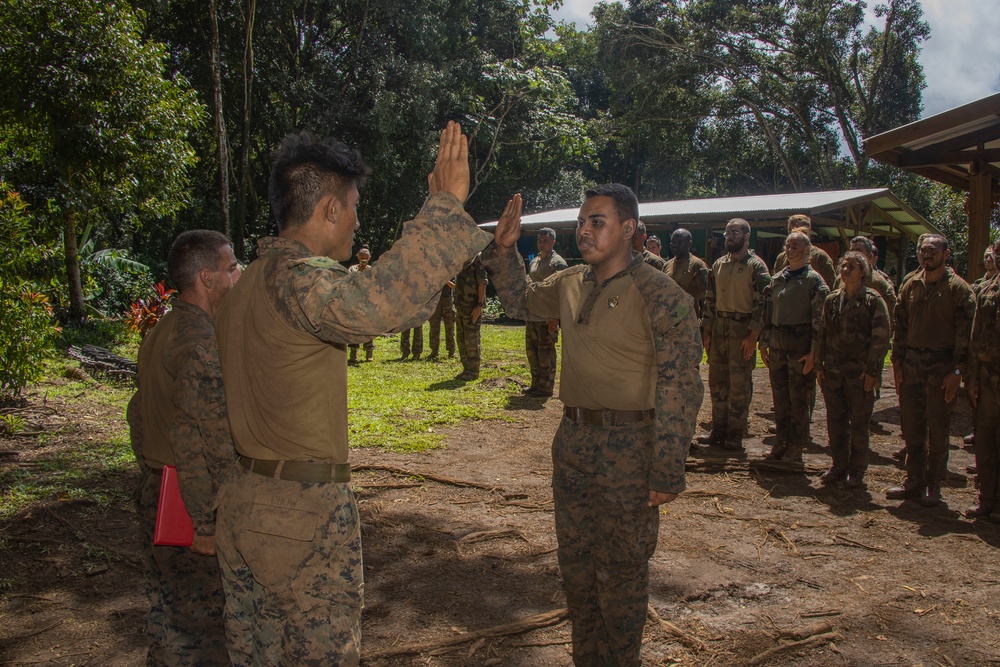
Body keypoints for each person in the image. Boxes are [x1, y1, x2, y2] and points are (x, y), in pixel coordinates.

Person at [213, 123, 491, 665]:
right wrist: (445, 206)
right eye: (356, 207)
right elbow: (373, 306)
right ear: (331, 211)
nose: (358, 221)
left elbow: (394, 308)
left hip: (247, 501)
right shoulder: (295, 279)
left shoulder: (248, 283)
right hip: (298, 517)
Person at [485, 185, 702, 667]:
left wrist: (667, 468)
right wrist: (502, 250)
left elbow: (680, 384)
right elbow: (520, 301)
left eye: (597, 221)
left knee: (621, 575)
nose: (584, 230)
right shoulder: (568, 282)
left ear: (628, 229)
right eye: (582, 221)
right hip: (574, 443)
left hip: (631, 447)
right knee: (577, 571)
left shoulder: (661, 293)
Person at [127, 230, 241, 666]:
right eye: (231, 269)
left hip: (160, 489)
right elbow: (203, 442)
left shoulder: (161, 331)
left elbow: (136, 415)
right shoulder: (200, 343)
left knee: (169, 615)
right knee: (205, 630)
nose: (237, 277)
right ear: (207, 279)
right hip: (188, 500)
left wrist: (150, 475)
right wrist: (206, 522)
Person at [886, 234, 975, 508]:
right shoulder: (910, 284)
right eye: (924, 251)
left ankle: (933, 484)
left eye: (933, 251)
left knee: (937, 427)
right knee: (911, 425)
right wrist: (897, 361)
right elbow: (900, 325)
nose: (927, 255)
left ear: (946, 254)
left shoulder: (959, 289)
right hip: (912, 364)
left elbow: (967, 334)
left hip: (942, 366)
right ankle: (913, 480)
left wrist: (958, 371)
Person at [815, 251, 890, 487]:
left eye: (852, 266)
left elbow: (881, 338)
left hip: (859, 374)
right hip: (834, 372)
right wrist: (819, 365)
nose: (846, 270)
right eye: (843, 266)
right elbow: (823, 333)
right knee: (835, 420)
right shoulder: (832, 300)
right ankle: (838, 465)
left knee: (859, 423)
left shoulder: (872, 300)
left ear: (863, 272)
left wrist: (872, 371)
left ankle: (856, 470)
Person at [698, 218, 772, 451]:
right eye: (728, 233)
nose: (729, 237)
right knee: (717, 382)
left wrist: (753, 335)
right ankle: (718, 431)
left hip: (742, 329)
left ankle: (736, 433)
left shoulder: (756, 266)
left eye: (735, 233)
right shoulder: (718, 265)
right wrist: (707, 331)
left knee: (739, 385)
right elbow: (709, 300)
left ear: (746, 237)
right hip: (719, 328)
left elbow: (763, 303)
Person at [758, 232, 829, 462]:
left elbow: (821, 319)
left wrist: (814, 351)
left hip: (801, 342)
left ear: (808, 250)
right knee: (780, 395)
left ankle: (797, 445)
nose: (791, 249)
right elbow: (767, 312)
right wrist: (764, 341)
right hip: (778, 341)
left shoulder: (814, 280)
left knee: (799, 395)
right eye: (788, 245)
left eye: (796, 246)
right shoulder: (778, 278)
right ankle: (781, 441)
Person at [966, 239, 1000, 518]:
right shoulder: (987, 288)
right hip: (988, 375)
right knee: (986, 439)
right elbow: (976, 334)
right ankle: (986, 498)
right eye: (996, 252)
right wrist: (972, 375)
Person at [524, 227, 569, 397]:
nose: (541, 243)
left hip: (547, 314)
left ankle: (546, 387)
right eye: (539, 240)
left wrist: (555, 317)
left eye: (545, 240)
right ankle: (535, 384)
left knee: (546, 351)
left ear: (553, 242)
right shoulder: (534, 261)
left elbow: (563, 290)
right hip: (533, 313)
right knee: (532, 350)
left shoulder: (557, 262)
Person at [772, 214, 837, 287]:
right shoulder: (781, 258)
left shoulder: (819, 256)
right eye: (790, 230)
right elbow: (775, 283)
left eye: (798, 228)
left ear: (808, 230)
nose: (794, 232)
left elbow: (831, 284)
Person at [664, 228, 710, 324]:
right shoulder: (667, 265)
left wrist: (705, 323)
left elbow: (706, 297)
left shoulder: (697, 265)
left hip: (689, 321)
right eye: (672, 242)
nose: (675, 245)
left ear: (689, 244)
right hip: (668, 321)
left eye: (679, 242)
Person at [454, 253, 488, 381]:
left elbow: (482, 283)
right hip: (460, 305)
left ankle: (473, 371)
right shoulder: (461, 259)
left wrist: (479, 306)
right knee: (461, 338)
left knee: (471, 339)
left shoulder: (477, 259)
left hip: (471, 306)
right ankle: (466, 368)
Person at [347, 245, 375, 363]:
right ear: (358, 257)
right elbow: (348, 281)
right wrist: (359, 272)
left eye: (366, 258)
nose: (364, 260)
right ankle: (353, 352)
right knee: (354, 327)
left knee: (369, 327)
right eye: (362, 257)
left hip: (367, 302)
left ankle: (369, 352)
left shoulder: (371, 270)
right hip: (355, 301)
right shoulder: (352, 269)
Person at [427, 279, 456, 360]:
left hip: (447, 299)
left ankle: (451, 350)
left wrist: (445, 279)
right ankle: (434, 350)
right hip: (435, 300)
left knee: (449, 326)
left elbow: (455, 287)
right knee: (434, 326)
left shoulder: (450, 272)